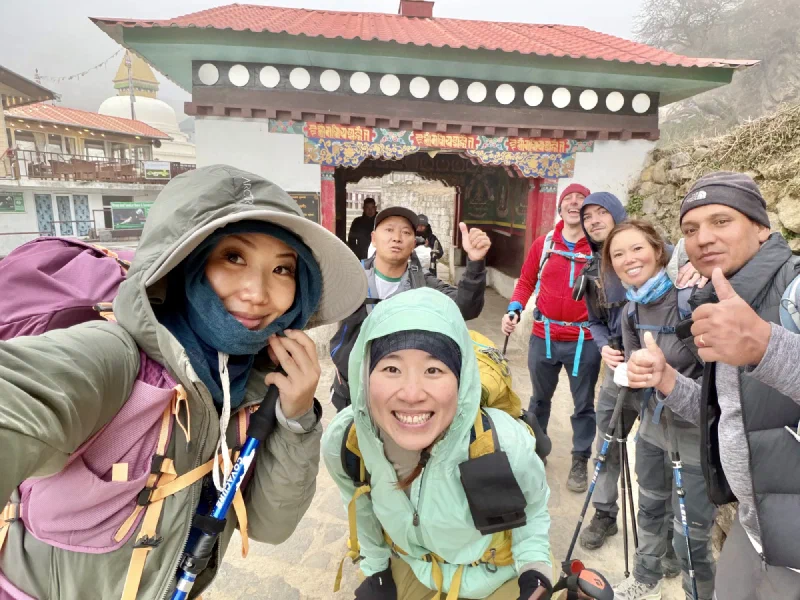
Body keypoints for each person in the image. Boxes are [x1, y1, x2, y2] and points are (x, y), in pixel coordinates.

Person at [0, 165, 367, 599]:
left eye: (283, 270)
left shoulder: (253, 388)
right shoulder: (114, 360)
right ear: (185, 262)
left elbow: (272, 525)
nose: (258, 292)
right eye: (233, 257)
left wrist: (297, 417)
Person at [627, 171, 800, 600]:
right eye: (690, 229)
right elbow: (725, 414)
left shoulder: (794, 291)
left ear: (761, 227)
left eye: (721, 221)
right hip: (755, 527)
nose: (703, 238)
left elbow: (772, 356)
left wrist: (766, 347)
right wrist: (667, 379)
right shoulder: (725, 301)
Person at [323, 288, 554, 600]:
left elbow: (534, 507)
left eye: (434, 370)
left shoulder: (503, 441)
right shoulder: (348, 442)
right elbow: (362, 509)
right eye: (391, 369)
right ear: (364, 375)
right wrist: (376, 570)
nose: (412, 394)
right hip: (413, 567)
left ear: (461, 380)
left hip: (494, 576)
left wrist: (534, 571)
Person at [578, 193, 703, 555]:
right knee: (608, 440)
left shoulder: (669, 255)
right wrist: (603, 345)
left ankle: (662, 533)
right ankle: (604, 512)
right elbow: (594, 321)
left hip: (668, 372)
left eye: (602, 212)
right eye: (588, 216)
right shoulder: (594, 270)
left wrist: (699, 268)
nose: (594, 220)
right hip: (619, 369)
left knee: (662, 449)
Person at [603, 220, 715, 600]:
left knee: (691, 533)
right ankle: (645, 577)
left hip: (695, 433)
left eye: (636, 249)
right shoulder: (630, 310)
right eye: (618, 254)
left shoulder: (693, 300)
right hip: (652, 427)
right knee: (650, 507)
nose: (628, 259)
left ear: (657, 250)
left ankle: (695, 592)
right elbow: (636, 365)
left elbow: (719, 380)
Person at [330, 206, 491, 411]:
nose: (397, 238)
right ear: (373, 238)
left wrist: (475, 263)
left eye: (406, 233)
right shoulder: (352, 278)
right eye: (389, 230)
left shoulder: (423, 283)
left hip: (402, 392)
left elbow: (466, 307)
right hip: (351, 387)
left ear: (413, 243)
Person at [502, 183, 600, 492]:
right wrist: (514, 307)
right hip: (543, 336)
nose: (573, 203)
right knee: (539, 400)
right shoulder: (544, 245)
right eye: (567, 199)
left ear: (587, 211)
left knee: (583, 404)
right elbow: (527, 279)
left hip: (584, 341)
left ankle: (580, 458)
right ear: (559, 209)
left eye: (580, 200)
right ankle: (537, 452)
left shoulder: (600, 248)